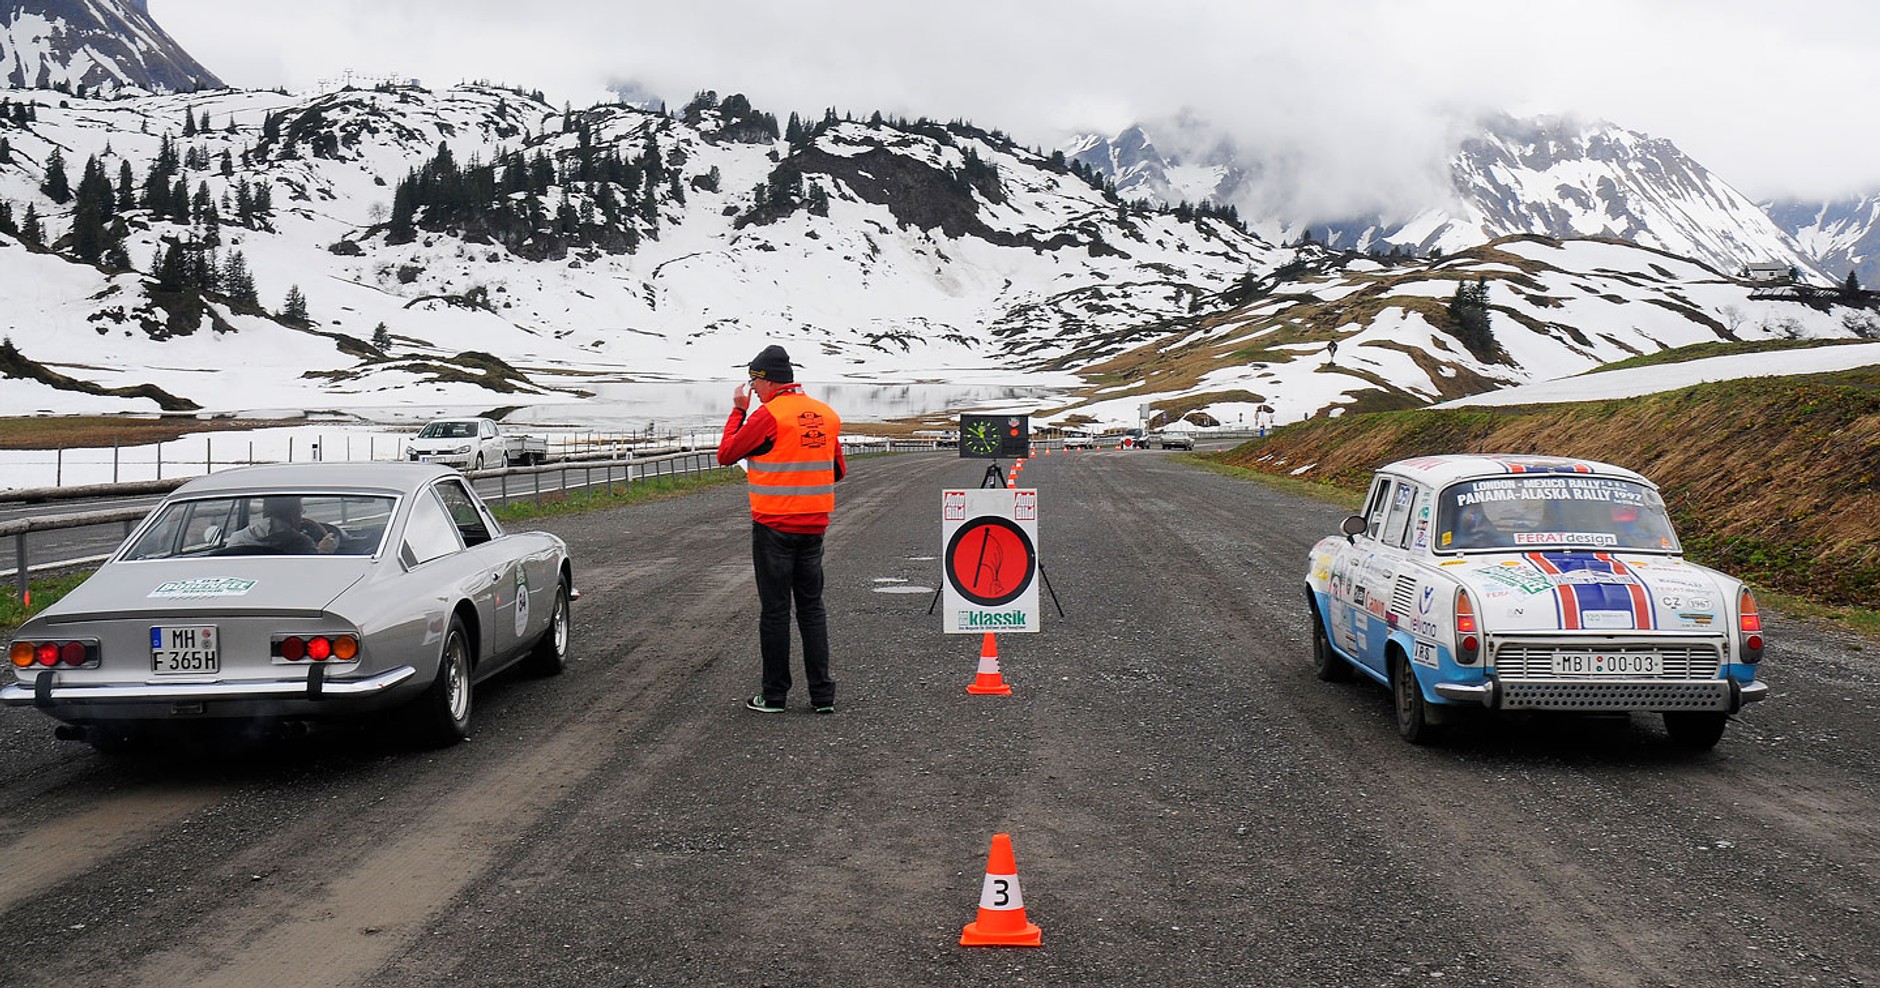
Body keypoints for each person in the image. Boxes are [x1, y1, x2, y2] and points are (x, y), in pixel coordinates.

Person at [718, 345, 847, 715]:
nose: (753, 390)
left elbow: (726, 454)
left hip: (774, 525)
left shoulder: (769, 415)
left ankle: (774, 695)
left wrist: (739, 410)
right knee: (812, 608)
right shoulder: (826, 414)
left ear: (767, 380)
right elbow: (838, 470)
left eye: (753, 382)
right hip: (814, 525)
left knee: (775, 611)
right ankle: (822, 695)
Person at [225, 496, 337, 554]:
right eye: (300, 512)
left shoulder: (237, 539)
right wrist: (322, 551)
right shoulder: (302, 544)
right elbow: (314, 571)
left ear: (265, 512)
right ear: (294, 515)